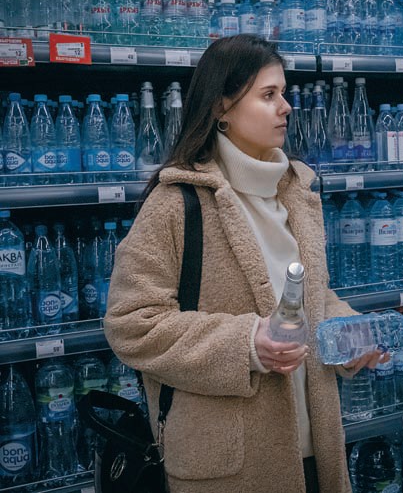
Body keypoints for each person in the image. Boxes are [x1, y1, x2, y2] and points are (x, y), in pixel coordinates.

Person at [104, 34, 387, 493]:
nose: (286, 107)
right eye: (268, 95)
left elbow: (309, 297)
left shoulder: (296, 192)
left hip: (316, 451)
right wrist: (247, 342)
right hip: (229, 467)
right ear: (222, 107)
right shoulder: (176, 202)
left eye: (284, 93)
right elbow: (132, 324)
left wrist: (347, 333)